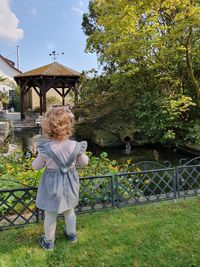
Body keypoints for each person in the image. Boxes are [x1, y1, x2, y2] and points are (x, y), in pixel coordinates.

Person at [32, 107, 89, 250]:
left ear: (48, 127)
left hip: (51, 184)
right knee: (69, 210)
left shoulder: (46, 147)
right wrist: (80, 156)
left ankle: (49, 241)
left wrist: (38, 157)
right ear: (68, 126)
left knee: (50, 213)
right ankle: (71, 235)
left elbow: (36, 166)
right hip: (70, 182)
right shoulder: (75, 146)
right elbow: (84, 162)